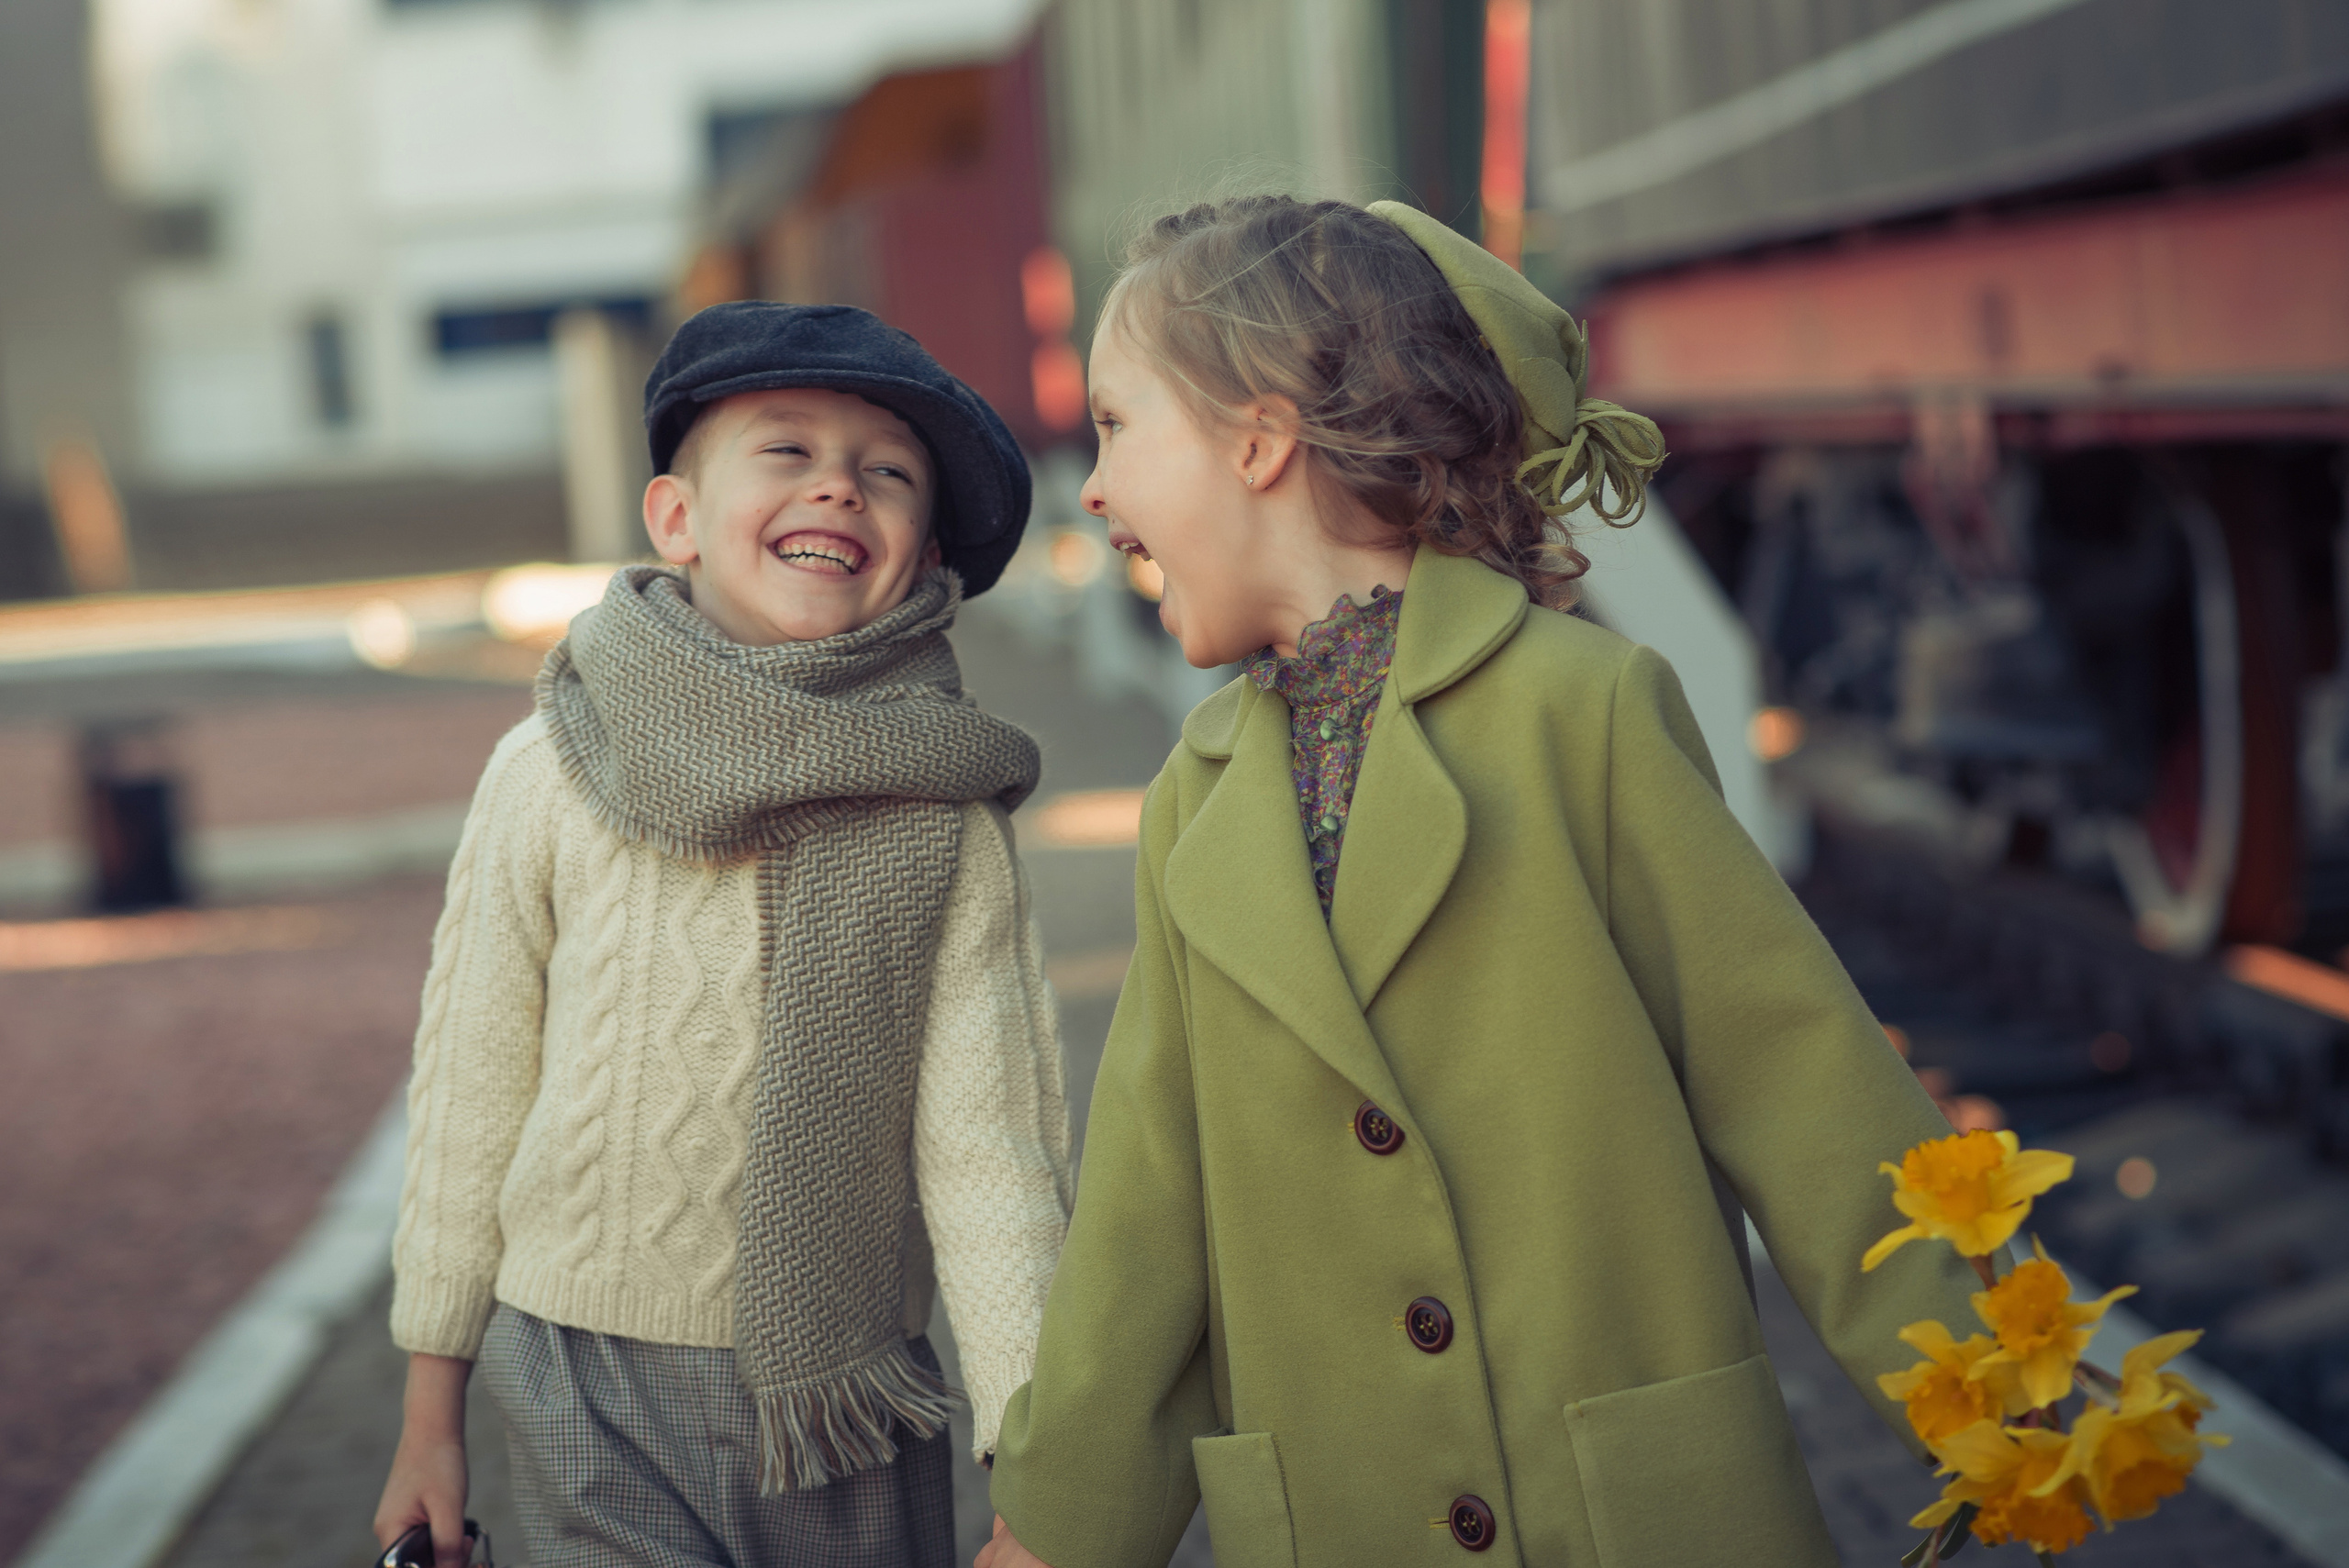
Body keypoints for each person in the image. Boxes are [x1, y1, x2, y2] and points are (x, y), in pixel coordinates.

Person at [977, 197, 1983, 1568]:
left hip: (1628, 1518)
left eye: (1115, 423)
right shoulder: (1191, 809)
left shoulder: (1585, 712)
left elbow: (1801, 1076)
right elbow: (1150, 1219)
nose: (1091, 486)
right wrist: (1060, 1525)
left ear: (1258, 438)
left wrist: (1990, 1395)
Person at [373, 301, 1072, 1568]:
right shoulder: (548, 771)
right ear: (676, 519)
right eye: (788, 450)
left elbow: (993, 1157)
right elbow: (471, 1092)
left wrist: (1038, 1475)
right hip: (579, 1372)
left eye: (889, 471)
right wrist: (432, 1415)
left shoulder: (943, 813)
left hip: (846, 1397)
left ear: (924, 557)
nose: (841, 489)